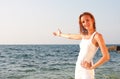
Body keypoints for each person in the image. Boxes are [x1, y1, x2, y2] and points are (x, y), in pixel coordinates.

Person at [53, 12, 110, 79]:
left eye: (87, 20)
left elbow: (106, 57)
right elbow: (70, 36)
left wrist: (92, 67)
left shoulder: (97, 36)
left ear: (92, 20)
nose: (85, 23)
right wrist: (60, 34)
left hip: (87, 71)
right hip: (78, 68)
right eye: (83, 22)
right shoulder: (83, 36)